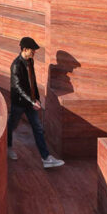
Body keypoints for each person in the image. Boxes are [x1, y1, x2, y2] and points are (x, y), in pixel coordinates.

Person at [8, 37, 64, 169]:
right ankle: (8, 146)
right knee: (11, 125)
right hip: (19, 103)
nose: (34, 53)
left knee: (38, 129)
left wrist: (36, 98)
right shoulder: (16, 65)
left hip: (29, 102)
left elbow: (32, 82)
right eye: (32, 50)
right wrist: (31, 100)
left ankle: (46, 158)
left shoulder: (30, 61)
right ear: (24, 49)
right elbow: (18, 87)